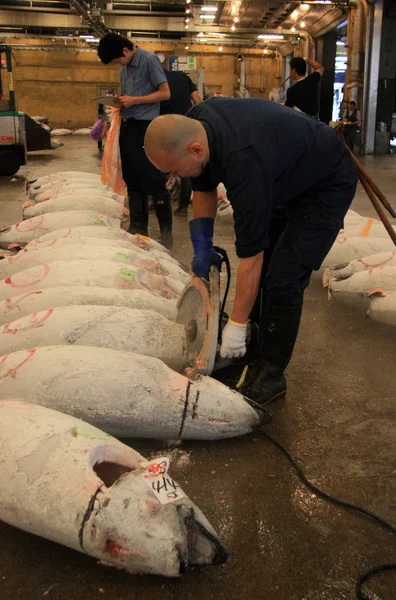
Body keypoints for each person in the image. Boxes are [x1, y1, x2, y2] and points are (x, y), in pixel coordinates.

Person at [144, 98, 358, 406]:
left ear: (195, 150)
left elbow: (251, 258)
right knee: (270, 260)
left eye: (175, 171)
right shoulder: (197, 123)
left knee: (283, 276)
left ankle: (271, 374)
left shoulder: (244, 164)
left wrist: (237, 323)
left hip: (326, 184)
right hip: (284, 170)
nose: (177, 178)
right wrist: (201, 244)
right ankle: (254, 346)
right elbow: (202, 183)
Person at [97, 33, 173, 249]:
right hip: (128, 125)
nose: (118, 64)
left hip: (146, 127)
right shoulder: (124, 68)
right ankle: (139, 228)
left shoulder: (149, 60)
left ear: (125, 50)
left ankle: (166, 235)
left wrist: (135, 100)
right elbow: (130, 97)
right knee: (132, 177)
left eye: (117, 59)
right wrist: (120, 102)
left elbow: (165, 93)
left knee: (153, 179)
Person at [160, 69, 201, 216]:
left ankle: (160, 202)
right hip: (185, 125)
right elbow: (197, 100)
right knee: (186, 167)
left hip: (164, 125)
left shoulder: (156, 78)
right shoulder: (183, 77)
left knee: (161, 164)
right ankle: (183, 207)